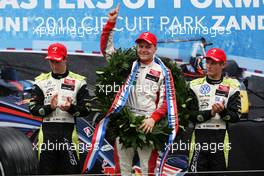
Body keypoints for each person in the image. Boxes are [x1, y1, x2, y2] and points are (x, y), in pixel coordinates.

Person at [100, 5, 175, 176]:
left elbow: (166, 102)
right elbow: (106, 49)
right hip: (125, 122)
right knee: (123, 169)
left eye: (147, 46)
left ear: (155, 49)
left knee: (148, 170)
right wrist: (110, 24)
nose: (143, 49)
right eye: (140, 46)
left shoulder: (163, 71)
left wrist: (153, 119)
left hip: (148, 123)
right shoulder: (127, 65)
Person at [28, 43, 91, 174]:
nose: (54, 65)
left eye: (57, 61)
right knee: (46, 171)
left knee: (71, 171)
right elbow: (33, 108)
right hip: (47, 133)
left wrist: (71, 108)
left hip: (68, 132)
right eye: (51, 61)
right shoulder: (40, 81)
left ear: (65, 59)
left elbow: (87, 109)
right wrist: (49, 108)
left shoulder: (78, 81)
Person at [187, 48, 241, 175]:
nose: (209, 66)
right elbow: (189, 115)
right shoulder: (194, 85)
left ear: (223, 65)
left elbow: (235, 117)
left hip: (221, 138)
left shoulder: (232, 87)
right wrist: (210, 113)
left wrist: (223, 112)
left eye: (214, 63)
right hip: (200, 137)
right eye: (208, 62)